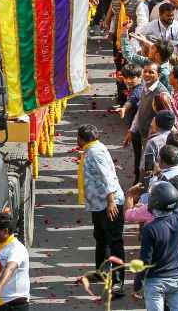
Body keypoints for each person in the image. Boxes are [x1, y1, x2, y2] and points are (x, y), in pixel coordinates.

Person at [76, 124, 125, 296]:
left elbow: (107, 176)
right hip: (99, 204)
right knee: (101, 238)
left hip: (109, 204)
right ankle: (101, 272)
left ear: (81, 139)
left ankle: (118, 283)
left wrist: (111, 201)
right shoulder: (92, 149)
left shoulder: (95, 152)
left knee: (114, 242)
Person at [138, 181, 178, 311]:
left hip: (156, 281)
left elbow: (145, 260)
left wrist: (138, 281)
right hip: (176, 277)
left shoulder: (150, 229)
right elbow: (176, 203)